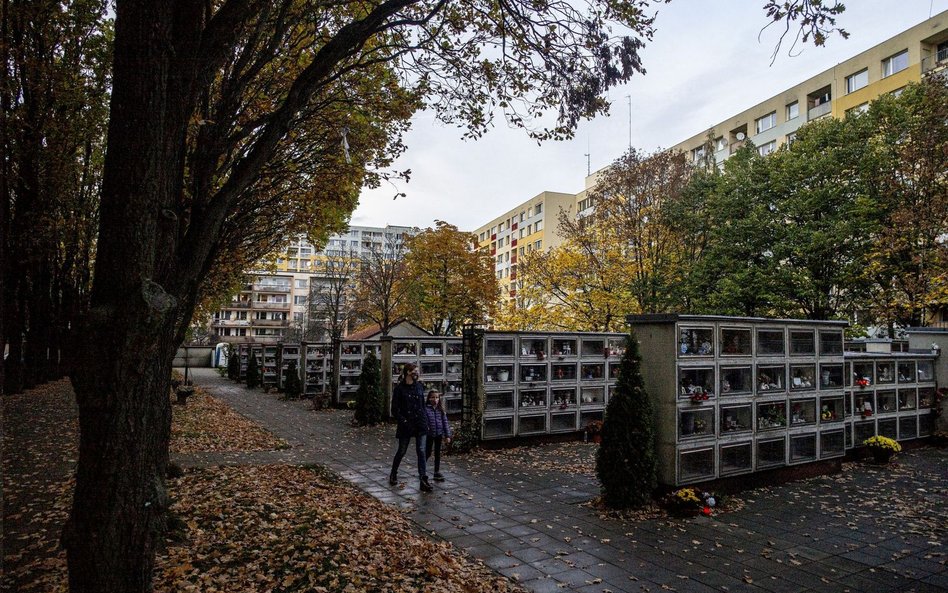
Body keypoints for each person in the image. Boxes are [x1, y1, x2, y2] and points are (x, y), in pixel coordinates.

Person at [389, 363, 432, 492]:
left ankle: (423, 479)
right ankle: (393, 473)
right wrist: (404, 421)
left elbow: (422, 405)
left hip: (420, 423)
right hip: (406, 424)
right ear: (408, 372)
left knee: (422, 451)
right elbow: (395, 409)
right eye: (414, 371)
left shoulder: (419, 386)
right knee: (402, 450)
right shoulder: (399, 389)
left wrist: (426, 421)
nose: (416, 373)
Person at [424, 390, 452, 482]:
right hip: (429, 435)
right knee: (427, 452)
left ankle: (437, 471)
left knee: (437, 453)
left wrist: (447, 435)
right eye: (432, 397)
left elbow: (445, 423)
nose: (435, 399)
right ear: (428, 398)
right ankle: (422, 470)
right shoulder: (426, 409)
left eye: (436, 397)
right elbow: (424, 422)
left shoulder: (440, 409)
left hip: (438, 434)